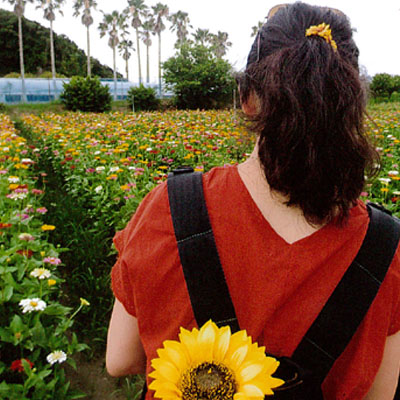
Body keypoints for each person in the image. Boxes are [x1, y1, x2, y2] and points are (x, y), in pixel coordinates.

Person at [106, 2, 400, 399]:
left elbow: (120, 360)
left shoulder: (169, 208)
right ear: (350, 102)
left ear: (247, 99)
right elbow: (379, 394)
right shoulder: (384, 247)